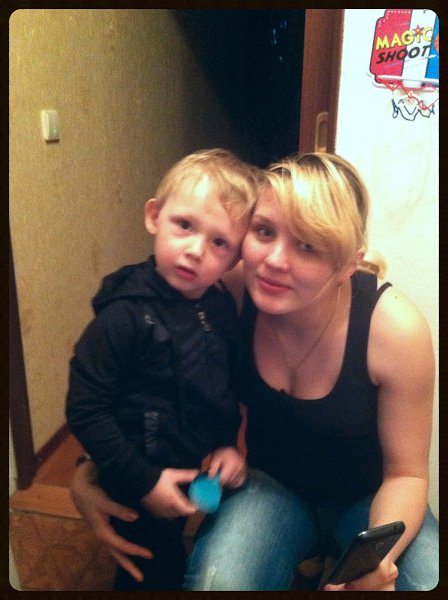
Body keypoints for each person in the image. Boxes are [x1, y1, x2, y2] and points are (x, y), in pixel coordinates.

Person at [70, 152, 438, 591]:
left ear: (347, 264)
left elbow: (407, 474)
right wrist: (91, 471)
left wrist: (378, 558)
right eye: (264, 231)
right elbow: (142, 384)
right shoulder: (229, 292)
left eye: (307, 245)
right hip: (269, 486)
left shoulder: (395, 330)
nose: (273, 260)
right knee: (217, 582)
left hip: (369, 497)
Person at [66, 148, 260, 590]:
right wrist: (143, 481)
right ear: (154, 216)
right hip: (130, 472)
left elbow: (222, 386)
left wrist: (228, 444)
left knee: (177, 541)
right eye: (184, 225)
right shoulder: (124, 317)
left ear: (234, 259)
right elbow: (85, 408)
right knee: (152, 569)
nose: (195, 250)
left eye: (219, 243)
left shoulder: (218, 306)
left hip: (186, 462)